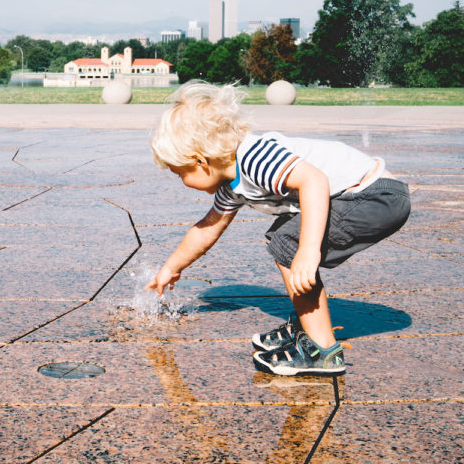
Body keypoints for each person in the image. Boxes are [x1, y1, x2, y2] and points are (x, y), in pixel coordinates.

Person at [146, 81, 410, 375]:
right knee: (282, 236)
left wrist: (308, 252)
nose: (180, 180)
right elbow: (208, 228)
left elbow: (314, 181)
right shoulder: (232, 184)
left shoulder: (254, 158)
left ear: (200, 161)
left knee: (288, 243)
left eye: (179, 172)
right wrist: (172, 267)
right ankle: (307, 324)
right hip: (367, 196)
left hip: (376, 196)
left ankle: (322, 350)